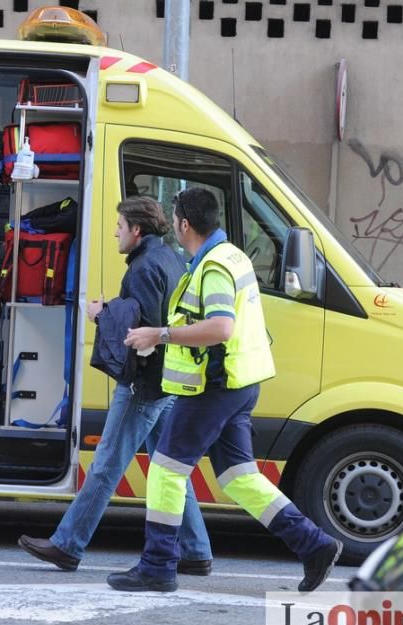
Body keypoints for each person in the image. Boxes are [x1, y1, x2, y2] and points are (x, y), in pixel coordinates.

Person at [108, 187, 341, 594]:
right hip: (239, 383)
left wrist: (159, 334)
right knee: (238, 476)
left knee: (165, 469)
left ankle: (158, 566)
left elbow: (220, 327)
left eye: (176, 219)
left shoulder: (213, 266)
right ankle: (315, 545)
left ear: (183, 223)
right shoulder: (231, 255)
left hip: (214, 387)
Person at [17, 196, 214, 574]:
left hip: (144, 385)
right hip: (168, 380)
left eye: (119, 227)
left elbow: (141, 333)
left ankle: (68, 544)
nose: (115, 232)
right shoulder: (171, 259)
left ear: (136, 231)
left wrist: (100, 314)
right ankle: (195, 550)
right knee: (169, 468)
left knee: (107, 465)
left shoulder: (141, 269)